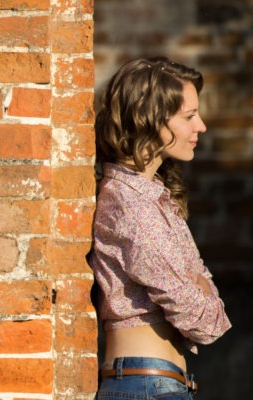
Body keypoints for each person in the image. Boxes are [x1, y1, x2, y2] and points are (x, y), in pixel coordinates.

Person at [89, 57, 231, 399]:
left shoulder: (151, 197)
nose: (201, 126)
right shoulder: (132, 204)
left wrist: (200, 287)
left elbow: (202, 283)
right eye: (188, 116)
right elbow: (201, 320)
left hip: (153, 384)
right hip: (147, 386)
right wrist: (200, 289)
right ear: (151, 120)